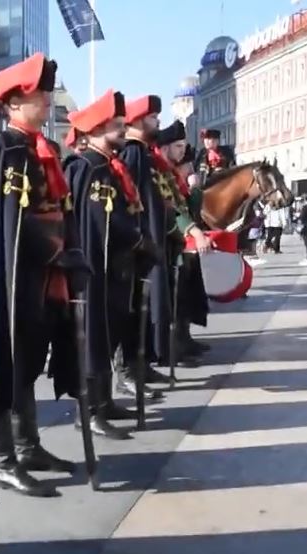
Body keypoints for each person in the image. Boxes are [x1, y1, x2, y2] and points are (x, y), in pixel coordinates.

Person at [0, 52, 85, 498]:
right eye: (38, 95)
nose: (46, 100)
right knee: (6, 361)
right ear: (13, 103)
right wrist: (54, 252)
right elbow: (7, 222)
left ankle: (28, 445)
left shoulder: (45, 152)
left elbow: (58, 210)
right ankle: (2, 459)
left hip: (45, 278)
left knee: (29, 363)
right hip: (13, 277)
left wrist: (70, 251)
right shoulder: (3, 150)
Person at [61, 90, 157, 440]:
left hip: (118, 269)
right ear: (97, 128)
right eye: (116, 124)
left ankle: (104, 402)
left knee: (110, 334)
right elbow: (101, 221)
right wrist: (137, 239)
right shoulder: (88, 167)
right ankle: (88, 412)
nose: (122, 128)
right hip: (97, 270)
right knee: (94, 338)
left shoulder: (110, 167)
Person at [117, 95, 170, 400]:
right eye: (152, 117)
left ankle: (141, 365)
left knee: (142, 309)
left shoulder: (143, 154)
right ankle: (128, 371)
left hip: (149, 242)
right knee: (133, 310)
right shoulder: (133, 154)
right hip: (138, 245)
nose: (157, 122)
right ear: (137, 121)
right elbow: (132, 200)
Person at [156, 127, 212, 361]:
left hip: (178, 243)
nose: (182, 153)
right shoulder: (161, 172)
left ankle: (183, 339)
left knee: (185, 295)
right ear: (165, 148)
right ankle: (171, 347)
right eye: (178, 146)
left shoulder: (171, 174)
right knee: (174, 297)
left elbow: (190, 208)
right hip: (167, 242)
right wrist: (195, 231)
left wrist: (195, 189)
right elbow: (175, 211)